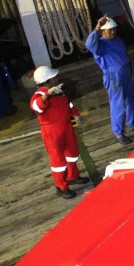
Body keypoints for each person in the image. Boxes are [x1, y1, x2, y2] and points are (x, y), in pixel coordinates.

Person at [86, 16, 134, 145]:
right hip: (113, 78)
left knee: (133, 100)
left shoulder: (119, 41)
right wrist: (97, 27)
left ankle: (133, 123)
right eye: (109, 30)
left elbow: (125, 58)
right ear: (103, 32)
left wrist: (133, 72)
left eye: (114, 29)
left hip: (126, 74)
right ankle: (119, 133)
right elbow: (89, 44)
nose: (113, 32)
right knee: (118, 106)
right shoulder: (100, 46)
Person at [29, 66, 89, 198]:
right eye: (53, 78)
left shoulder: (59, 91)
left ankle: (73, 176)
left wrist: (76, 114)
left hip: (66, 127)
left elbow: (68, 104)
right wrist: (47, 94)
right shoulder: (39, 95)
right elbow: (36, 107)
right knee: (58, 161)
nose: (56, 79)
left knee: (72, 153)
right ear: (47, 81)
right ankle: (61, 186)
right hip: (52, 131)